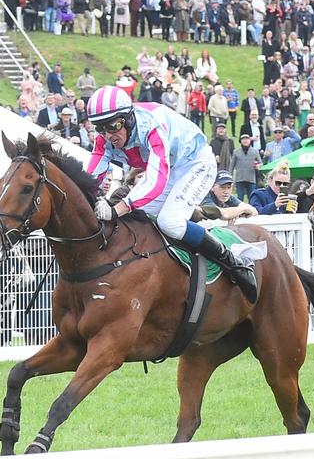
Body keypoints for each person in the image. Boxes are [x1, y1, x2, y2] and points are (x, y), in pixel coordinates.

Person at [84, 86, 258, 302]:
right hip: (169, 168)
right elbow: (89, 179)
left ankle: (232, 261)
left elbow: (156, 180)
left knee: (169, 222)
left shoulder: (151, 125)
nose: (108, 136)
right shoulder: (104, 139)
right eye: (101, 129)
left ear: (128, 119)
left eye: (114, 126)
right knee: (134, 221)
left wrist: (116, 209)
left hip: (195, 163)